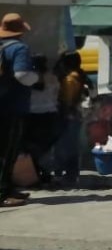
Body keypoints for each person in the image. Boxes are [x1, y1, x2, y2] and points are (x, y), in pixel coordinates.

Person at [0, 12, 40, 208]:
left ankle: (7, 188)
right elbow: (22, 75)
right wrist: (36, 77)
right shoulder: (19, 48)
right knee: (8, 151)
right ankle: (2, 193)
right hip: (12, 106)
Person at [22, 55, 60, 185]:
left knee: (32, 147)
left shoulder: (31, 79)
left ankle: (37, 172)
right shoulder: (53, 77)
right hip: (50, 114)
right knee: (45, 148)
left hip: (33, 115)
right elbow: (56, 94)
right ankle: (44, 172)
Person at [54, 51, 89, 186]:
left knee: (64, 146)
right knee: (71, 146)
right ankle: (72, 174)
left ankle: (66, 174)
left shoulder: (70, 79)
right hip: (75, 115)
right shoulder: (78, 75)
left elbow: (67, 100)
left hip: (68, 115)